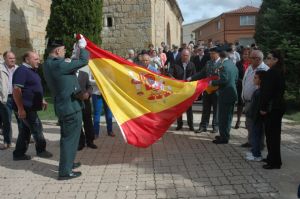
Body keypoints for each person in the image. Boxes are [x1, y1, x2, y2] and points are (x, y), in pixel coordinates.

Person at [43, 36, 89, 180]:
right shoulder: (58, 64)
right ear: (57, 51)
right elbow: (83, 61)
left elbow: (69, 67)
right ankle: (65, 172)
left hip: (63, 106)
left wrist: (74, 55)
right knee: (70, 140)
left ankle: (68, 164)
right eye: (63, 50)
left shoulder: (48, 64)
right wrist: (82, 48)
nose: (64, 53)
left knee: (67, 138)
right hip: (70, 107)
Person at [12, 51, 53, 160]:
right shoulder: (22, 71)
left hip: (29, 107)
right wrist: (20, 109)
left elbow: (33, 88)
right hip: (26, 108)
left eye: (38, 59)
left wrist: (41, 99)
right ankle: (41, 150)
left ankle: (18, 154)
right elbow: (16, 90)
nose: (39, 61)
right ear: (27, 60)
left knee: (25, 130)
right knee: (37, 128)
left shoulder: (31, 71)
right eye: (36, 59)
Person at [260, 49, 286, 170]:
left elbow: (267, 93)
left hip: (272, 108)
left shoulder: (272, 72)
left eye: (269, 58)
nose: (267, 60)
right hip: (277, 107)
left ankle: (274, 162)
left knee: (272, 136)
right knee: (273, 135)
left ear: (276, 60)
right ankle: (272, 157)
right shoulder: (278, 71)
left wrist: (263, 108)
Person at [189, 47, 221, 134]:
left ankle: (215, 126)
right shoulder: (208, 63)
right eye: (210, 53)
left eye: (212, 53)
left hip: (217, 90)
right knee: (205, 109)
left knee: (216, 109)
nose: (211, 55)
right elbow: (202, 73)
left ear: (217, 54)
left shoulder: (222, 63)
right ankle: (203, 126)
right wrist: (192, 78)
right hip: (207, 89)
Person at [241, 50, 269, 148]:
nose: (249, 59)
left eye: (252, 58)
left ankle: (259, 145)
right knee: (249, 123)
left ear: (258, 59)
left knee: (257, 124)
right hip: (248, 101)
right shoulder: (249, 67)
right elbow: (245, 82)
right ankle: (251, 141)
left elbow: (265, 88)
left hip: (257, 102)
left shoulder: (265, 69)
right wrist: (243, 96)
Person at [211, 50, 238, 144]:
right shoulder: (232, 64)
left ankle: (224, 137)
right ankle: (225, 134)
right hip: (231, 93)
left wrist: (212, 82)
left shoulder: (224, 66)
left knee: (223, 117)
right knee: (228, 117)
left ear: (220, 56)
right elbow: (236, 78)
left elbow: (224, 80)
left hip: (225, 94)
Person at [245, 70, 267, 161]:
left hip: (257, 118)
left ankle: (256, 155)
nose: (254, 79)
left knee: (256, 135)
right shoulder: (258, 90)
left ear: (261, 80)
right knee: (254, 134)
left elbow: (257, 107)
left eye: (255, 78)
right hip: (255, 117)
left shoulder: (260, 92)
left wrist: (252, 114)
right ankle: (255, 152)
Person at [172, 49, 196, 131]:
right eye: (184, 55)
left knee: (189, 108)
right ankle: (179, 124)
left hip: (188, 90)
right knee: (179, 108)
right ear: (181, 55)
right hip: (178, 89)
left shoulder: (192, 65)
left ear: (189, 56)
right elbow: (171, 74)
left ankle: (191, 125)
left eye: (187, 55)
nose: (185, 57)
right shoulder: (175, 64)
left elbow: (194, 76)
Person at [0, 51, 18, 149]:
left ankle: (26, 138)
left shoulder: (18, 68)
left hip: (17, 97)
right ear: (5, 59)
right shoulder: (0, 68)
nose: (13, 60)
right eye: (10, 58)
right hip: (5, 98)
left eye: (14, 58)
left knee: (22, 119)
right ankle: (7, 142)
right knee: (7, 120)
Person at [89, 72, 115, 138]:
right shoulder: (93, 66)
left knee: (109, 113)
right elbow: (90, 81)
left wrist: (105, 81)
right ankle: (95, 133)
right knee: (97, 113)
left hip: (107, 93)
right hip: (96, 93)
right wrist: (100, 80)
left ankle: (110, 131)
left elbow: (113, 79)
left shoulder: (108, 67)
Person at [76, 70, 97, 150]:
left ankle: (90, 141)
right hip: (75, 103)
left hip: (86, 102)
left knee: (88, 122)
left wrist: (88, 93)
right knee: (78, 123)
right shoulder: (69, 74)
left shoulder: (84, 74)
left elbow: (89, 86)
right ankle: (81, 142)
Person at [234, 48, 251, 129]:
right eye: (244, 54)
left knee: (249, 104)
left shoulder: (252, 64)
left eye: (247, 54)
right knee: (240, 104)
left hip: (250, 86)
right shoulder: (238, 63)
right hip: (240, 86)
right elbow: (236, 75)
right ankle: (238, 120)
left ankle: (248, 121)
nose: (245, 55)